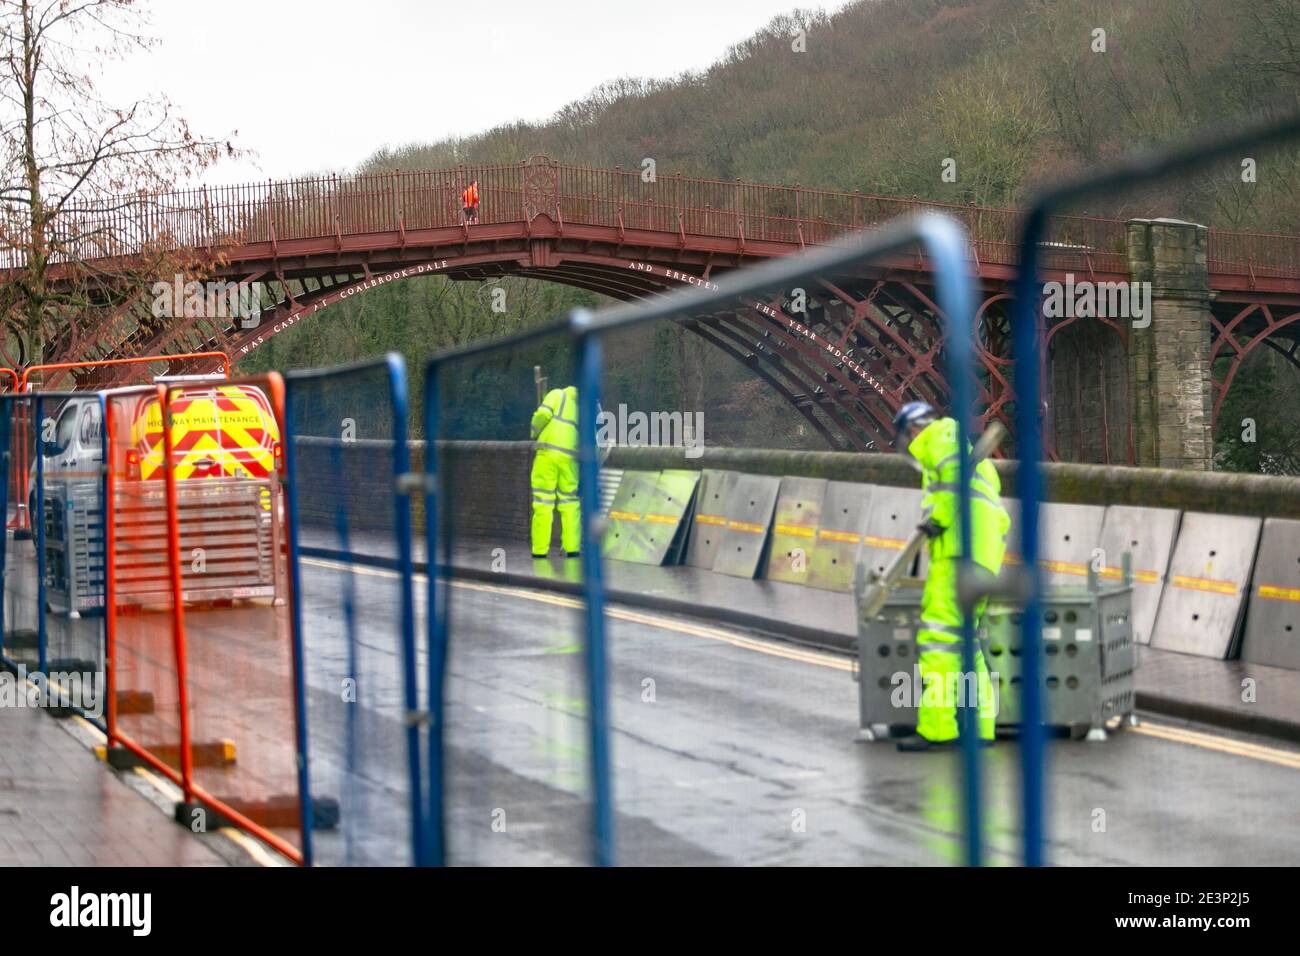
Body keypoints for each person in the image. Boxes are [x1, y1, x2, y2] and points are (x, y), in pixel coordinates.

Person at [891, 400, 1010, 752]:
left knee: (939, 641)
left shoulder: (940, 437)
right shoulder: (971, 449)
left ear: (911, 428)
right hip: (984, 554)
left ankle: (938, 729)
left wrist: (938, 519)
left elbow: (949, 483)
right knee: (968, 643)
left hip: (959, 551)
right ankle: (982, 726)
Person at [530, 383, 580, 558]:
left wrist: (534, 432)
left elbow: (543, 414)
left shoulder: (557, 394)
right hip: (570, 459)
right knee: (570, 503)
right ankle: (572, 548)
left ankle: (540, 551)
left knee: (543, 503)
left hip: (548, 454)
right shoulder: (582, 407)